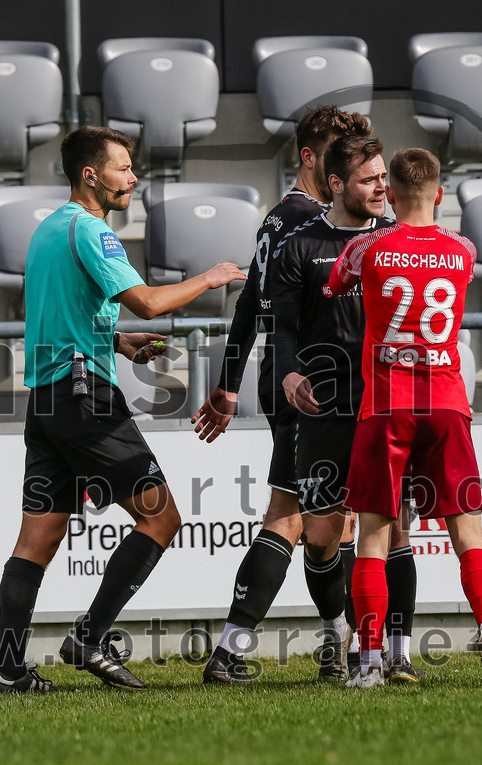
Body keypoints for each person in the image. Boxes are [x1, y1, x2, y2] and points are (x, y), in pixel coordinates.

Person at [0, 126, 245, 693]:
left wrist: (117, 343)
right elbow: (150, 303)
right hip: (87, 401)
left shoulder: (48, 229)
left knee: (37, 540)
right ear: (90, 175)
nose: (133, 178)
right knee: (162, 518)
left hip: (49, 402)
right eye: (124, 168)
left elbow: (65, 315)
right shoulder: (93, 232)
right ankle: (91, 637)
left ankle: (8, 670)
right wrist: (212, 277)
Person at [192, 110, 418, 684]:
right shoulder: (303, 226)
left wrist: (228, 380)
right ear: (319, 161)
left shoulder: (278, 222)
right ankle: (241, 648)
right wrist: (245, 377)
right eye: (346, 156)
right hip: (312, 385)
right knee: (299, 519)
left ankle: (346, 642)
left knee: (336, 528)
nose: (364, 169)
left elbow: (249, 305)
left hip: (315, 383)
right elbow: (270, 311)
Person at [327, 148, 482, 689]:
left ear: (389, 194)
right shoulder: (463, 249)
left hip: (387, 403)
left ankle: (368, 664)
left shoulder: (369, 246)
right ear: (439, 194)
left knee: (373, 535)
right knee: (466, 527)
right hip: (447, 400)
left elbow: (335, 286)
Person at [268, 134, 390, 681]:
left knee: (390, 528)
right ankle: (337, 626)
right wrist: (291, 371)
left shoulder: (396, 240)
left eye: (384, 176)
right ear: (336, 184)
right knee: (319, 539)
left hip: (386, 404)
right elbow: (283, 326)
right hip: (324, 405)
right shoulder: (299, 243)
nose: (381, 187)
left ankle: (389, 651)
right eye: (369, 179)